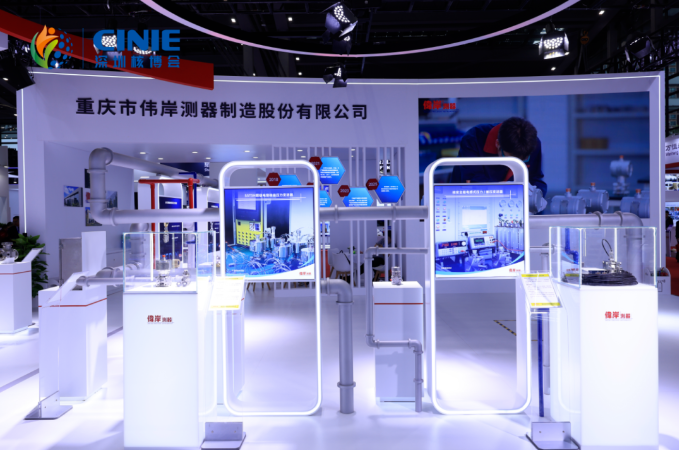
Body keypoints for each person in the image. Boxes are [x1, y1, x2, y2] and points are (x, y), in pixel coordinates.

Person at [448, 117, 547, 196]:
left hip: (512, 204)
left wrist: (538, 195)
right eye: (509, 160)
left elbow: (535, 178)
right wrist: (507, 189)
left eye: (522, 160)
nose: (514, 166)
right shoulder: (474, 139)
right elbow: (473, 183)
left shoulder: (531, 144)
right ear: (497, 144)